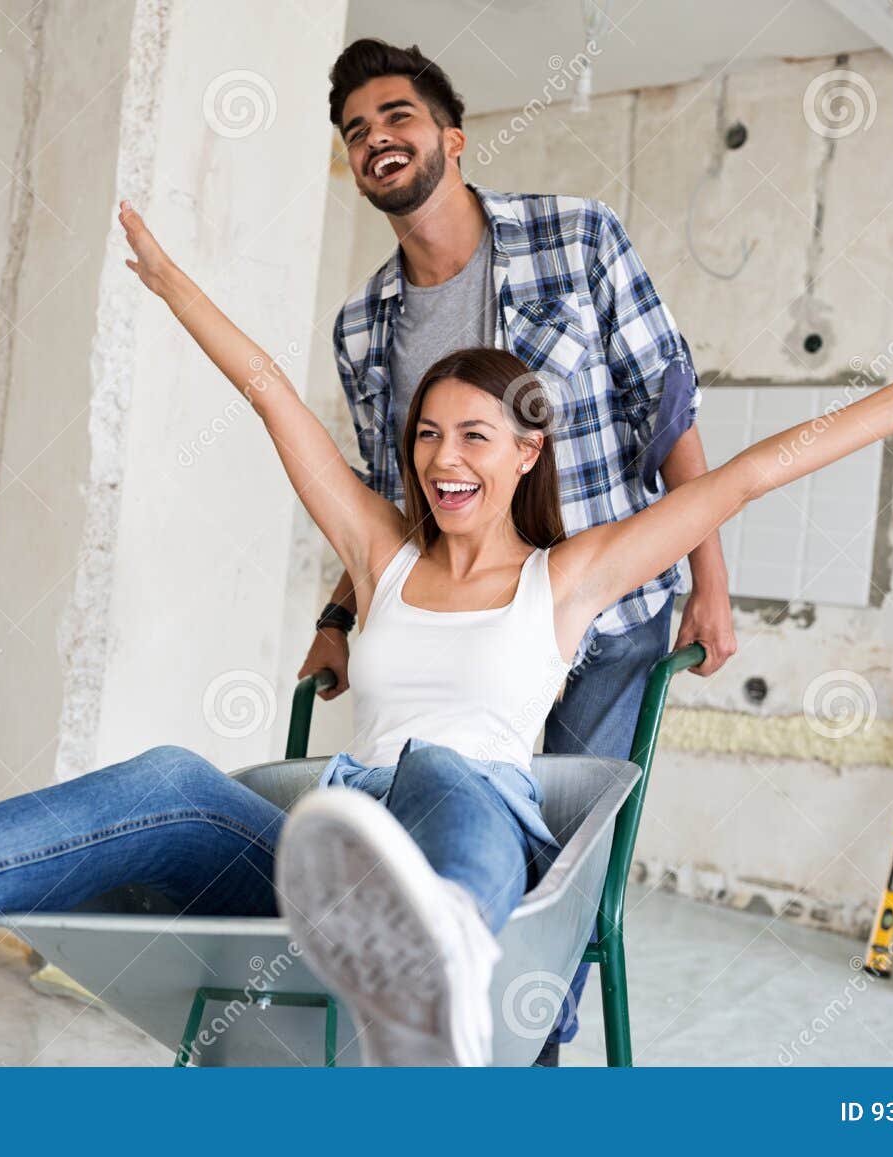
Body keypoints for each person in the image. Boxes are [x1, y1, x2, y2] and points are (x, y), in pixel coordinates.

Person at [0, 198, 893, 1069]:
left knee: (449, 774)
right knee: (165, 775)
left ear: (524, 455)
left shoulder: (569, 579)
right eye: (427, 434)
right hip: (329, 840)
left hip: (475, 827)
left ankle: (438, 990)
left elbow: (750, 473)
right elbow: (274, 389)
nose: (444, 455)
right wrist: (168, 283)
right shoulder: (381, 553)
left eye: (475, 436)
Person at [305, 40, 739, 1060]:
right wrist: (339, 616)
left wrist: (708, 579)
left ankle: (527, 1051)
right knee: (453, 823)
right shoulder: (364, 324)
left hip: (599, 616)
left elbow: (665, 401)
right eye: (357, 130)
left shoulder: (574, 238)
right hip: (462, 622)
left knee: (566, 863)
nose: (378, 140)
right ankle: (434, 1029)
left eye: (397, 116)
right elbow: (388, 492)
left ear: (450, 138)